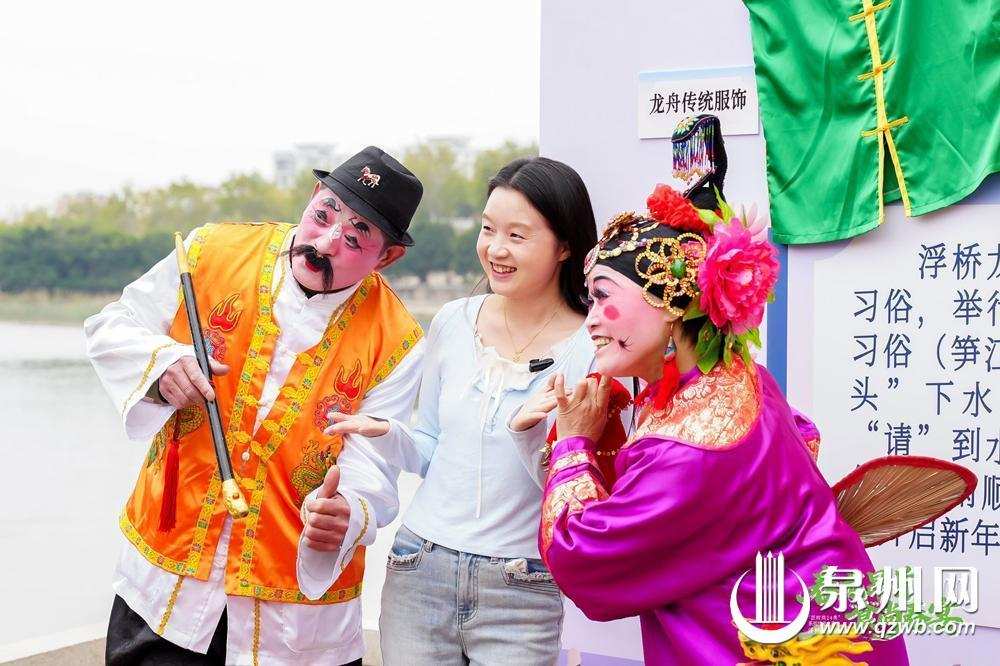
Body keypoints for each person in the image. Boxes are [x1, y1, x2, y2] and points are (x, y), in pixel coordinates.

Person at [534, 178, 913, 663]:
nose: (591, 320)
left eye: (603, 296)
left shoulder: (684, 449)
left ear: (671, 304)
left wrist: (573, 446)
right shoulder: (741, 376)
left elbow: (582, 558)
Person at [86, 146, 425, 665]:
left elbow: (374, 464)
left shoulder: (397, 341)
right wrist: (162, 368)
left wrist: (348, 512)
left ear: (387, 257)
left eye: (356, 238)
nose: (326, 243)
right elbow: (113, 326)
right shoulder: (210, 251)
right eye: (323, 216)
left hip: (291, 615)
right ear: (313, 195)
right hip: (167, 582)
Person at [319, 156, 598, 664]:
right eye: (488, 229)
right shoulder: (453, 321)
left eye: (517, 235)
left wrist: (528, 437)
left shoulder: (594, 346)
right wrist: (387, 431)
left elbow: (579, 493)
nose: (496, 249)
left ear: (564, 246)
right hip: (417, 567)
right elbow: (430, 448)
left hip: (523, 585)